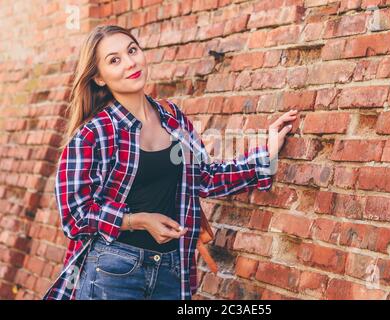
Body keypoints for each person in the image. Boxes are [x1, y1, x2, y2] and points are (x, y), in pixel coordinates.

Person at [42, 25, 297, 300]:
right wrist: (136, 221)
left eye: (132, 50)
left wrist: (266, 153)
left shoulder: (172, 117)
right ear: (99, 78)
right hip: (112, 270)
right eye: (114, 60)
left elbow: (205, 177)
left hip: (172, 270)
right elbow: (74, 217)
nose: (130, 63)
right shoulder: (94, 133)